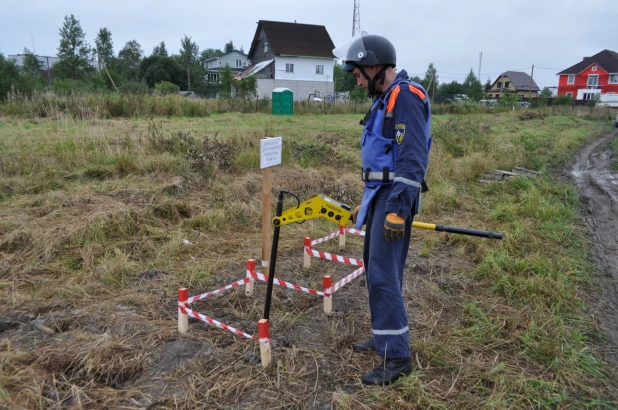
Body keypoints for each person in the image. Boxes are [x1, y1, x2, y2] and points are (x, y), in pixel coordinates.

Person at [337, 34, 432, 385]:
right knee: (375, 268)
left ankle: (397, 358)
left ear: (375, 65)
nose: (356, 79)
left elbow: (412, 159)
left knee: (383, 274)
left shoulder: (405, 97)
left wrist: (397, 210)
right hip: (378, 194)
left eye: (358, 73)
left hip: (393, 197)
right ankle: (384, 337)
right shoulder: (386, 98)